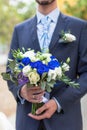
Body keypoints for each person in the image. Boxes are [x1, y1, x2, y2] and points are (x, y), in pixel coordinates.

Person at [7, 0, 87, 130]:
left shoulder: (80, 27)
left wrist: (58, 102)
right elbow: (11, 72)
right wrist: (22, 91)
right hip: (27, 122)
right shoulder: (19, 30)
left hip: (66, 121)